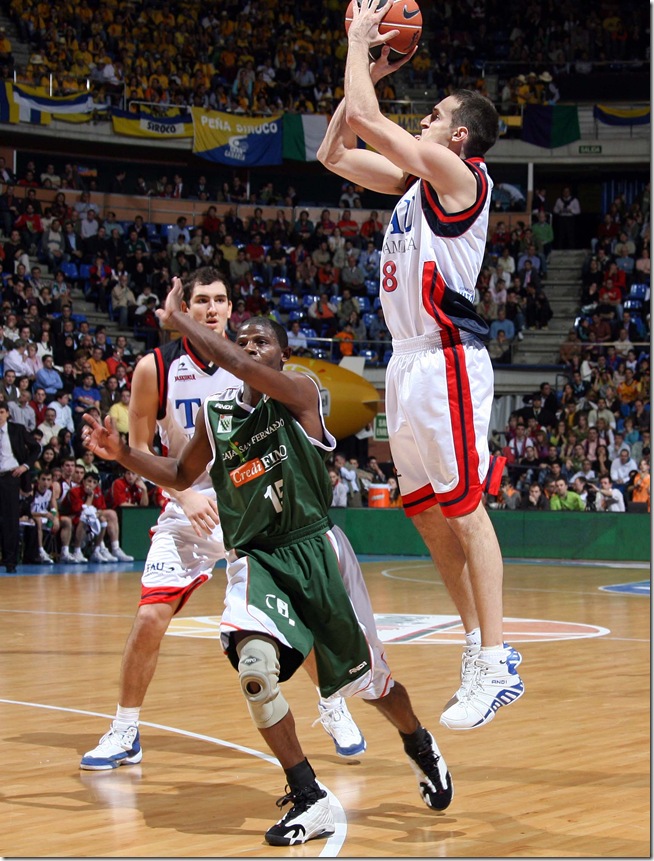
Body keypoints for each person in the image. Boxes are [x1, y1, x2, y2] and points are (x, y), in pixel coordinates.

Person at [83, 291, 453, 844]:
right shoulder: (219, 414)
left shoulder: (301, 392)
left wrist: (181, 320)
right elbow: (181, 474)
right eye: (246, 340)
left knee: (371, 684)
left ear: (282, 355)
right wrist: (124, 456)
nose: (252, 347)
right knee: (254, 669)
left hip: (317, 553)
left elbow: (237, 365)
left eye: (264, 342)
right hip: (257, 558)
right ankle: (308, 793)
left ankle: (418, 741)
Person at [317, 4, 523, 732]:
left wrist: (356, 43)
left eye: (432, 114)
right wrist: (364, 73)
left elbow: (372, 126)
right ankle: (475, 643)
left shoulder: (458, 173)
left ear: (457, 134)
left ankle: (496, 660)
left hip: (448, 360)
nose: (424, 118)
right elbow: (335, 153)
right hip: (405, 363)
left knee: (466, 507)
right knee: (427, 511)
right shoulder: (414, 188)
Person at [79, 268, 368, 775]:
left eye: (220, 301)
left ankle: (332, 704)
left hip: (251, 506)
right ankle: (125, 728)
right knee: (149, 617)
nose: (212, 308)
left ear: (231, 310)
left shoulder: (249, 363)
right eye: (201, 301)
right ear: (185, 308)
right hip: (187, 501)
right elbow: (147, 451)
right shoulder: (155, 368)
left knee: (291, 614)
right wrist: (182, 493)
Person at [0, 400, 41, 571]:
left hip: (10, 477)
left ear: (8, 413)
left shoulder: (17, 430)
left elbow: (36, 448)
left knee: (10, 520)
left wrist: (24, 466)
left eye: (1, 412)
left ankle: (11, 561)